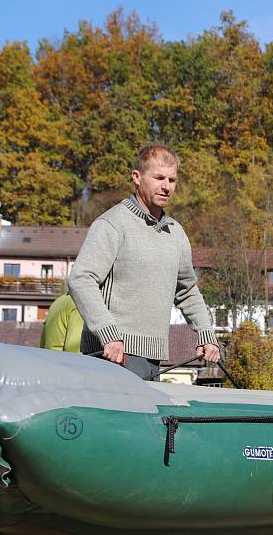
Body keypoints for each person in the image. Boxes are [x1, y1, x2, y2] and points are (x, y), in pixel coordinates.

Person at [68, 142, 220, 379]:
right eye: (159, 178)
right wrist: (108, 334)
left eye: (172, 180)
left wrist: (206, 335)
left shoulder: (176, 233)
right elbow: (81, 279)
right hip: (112, 355)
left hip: (153, 358)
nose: (166, 186)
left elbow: (187, 290)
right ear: (137, 177)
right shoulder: (112, 224)